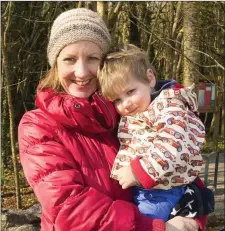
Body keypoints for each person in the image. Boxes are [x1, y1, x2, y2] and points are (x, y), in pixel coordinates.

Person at [18, 8, 206, 231]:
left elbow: (180, 168)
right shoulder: (38, 126)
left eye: (92, 58)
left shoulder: (125, 111)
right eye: (69, 59)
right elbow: (69, 208)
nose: (81, 71)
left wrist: (193, 216)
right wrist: (157, 228)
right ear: (55, 65)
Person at [98, 45, 213, 221]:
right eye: (117, 100)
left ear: (150, 78)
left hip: (162, 191)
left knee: (144, 222)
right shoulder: (140, 111)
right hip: (148, 189)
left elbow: (173, 143)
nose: (126, 103)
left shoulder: (169, 106)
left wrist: (139, 171)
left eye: (130, 92)